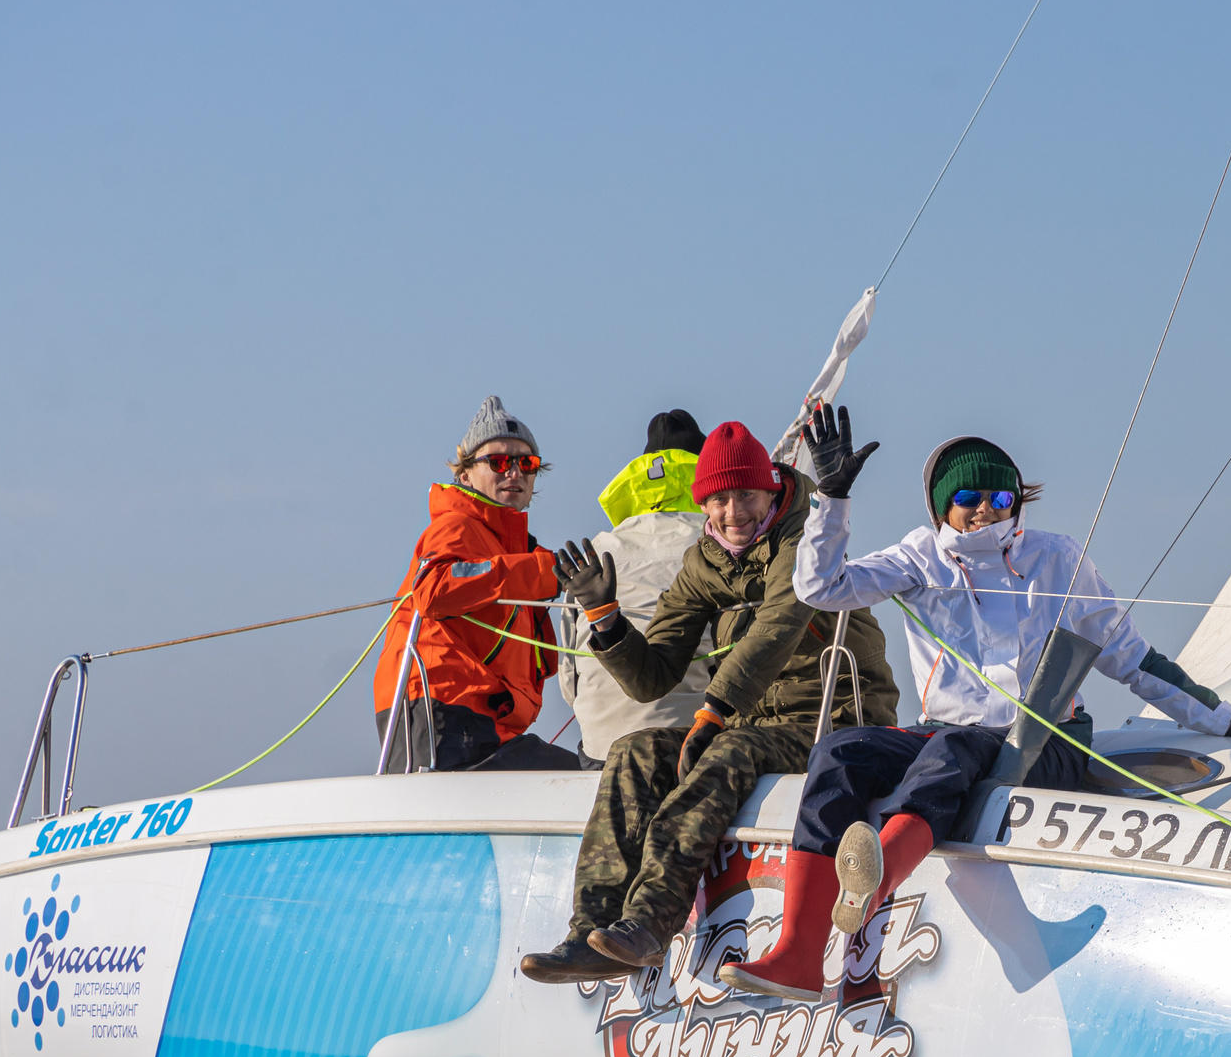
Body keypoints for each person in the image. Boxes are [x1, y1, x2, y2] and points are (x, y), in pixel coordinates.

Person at [719, 406, 1231, 1001]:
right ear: (941, 506)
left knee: (955, 748)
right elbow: (821, 588)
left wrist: (1218, 717)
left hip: (1048, 742)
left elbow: (1132, 657)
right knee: (839, 752)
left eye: (1002, 498)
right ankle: (797, 953)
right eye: (970, 497)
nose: (987, 509)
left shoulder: (1057, 558)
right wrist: (833, 498)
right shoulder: (919, 556)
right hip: (948, 731)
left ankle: (871, 888)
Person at [520, 419, 900, 983]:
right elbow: (654, 677)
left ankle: (650, 924)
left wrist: (714, 712)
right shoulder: (705, 562)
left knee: (726, 751)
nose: (733, 512)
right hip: (751, 719)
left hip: (833, 719)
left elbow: (777, 630)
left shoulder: (802, 543)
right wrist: (605, 618)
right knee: (635, 752)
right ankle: (591, 932)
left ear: (770, 489)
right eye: (718, 499)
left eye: (745, 495)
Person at [372, 396, 586, 773]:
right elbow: (433, 589)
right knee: (590, 785)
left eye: (527, 463)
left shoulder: (509, 547)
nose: (515, 472)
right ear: (465, 474)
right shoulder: (457, 526)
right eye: (499, 461)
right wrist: (540, 575)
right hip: (447, 717)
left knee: (589, 779)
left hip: (483, 725)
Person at [556, 409, 717, 767]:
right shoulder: (718, 546)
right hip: (693, 746)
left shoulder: (595, 551)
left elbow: (569, 680)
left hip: (602, 749)